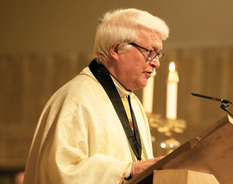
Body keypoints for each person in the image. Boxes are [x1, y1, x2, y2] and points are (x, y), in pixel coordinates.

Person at [23, 8, 169, 184]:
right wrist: (129, 170)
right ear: (116, 49)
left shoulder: (132, 102)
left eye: (158, 54)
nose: (156, 63)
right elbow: (60, 172)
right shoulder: (76, 98)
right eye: (150, 52)